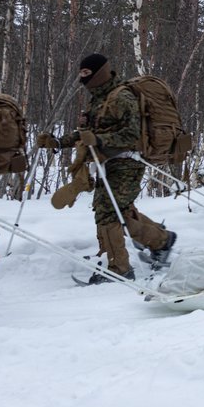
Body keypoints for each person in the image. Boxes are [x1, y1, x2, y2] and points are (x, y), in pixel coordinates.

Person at [37, 54, 176, 284]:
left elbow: (131, 134)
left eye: (86, 73)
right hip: (108, 163)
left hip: (128, 163)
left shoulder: (122, 96)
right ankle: (162, 241)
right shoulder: (97, 99)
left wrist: (100, 140)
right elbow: (87, 135)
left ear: (99, 72)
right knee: (115, 211)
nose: (82, 78)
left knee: (107, 211)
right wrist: (59, 142)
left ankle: (120, 268)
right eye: (80, 73)